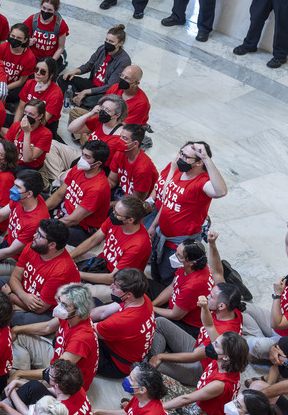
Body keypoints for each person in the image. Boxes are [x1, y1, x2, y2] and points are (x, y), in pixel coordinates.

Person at [148, 142, 227, 282]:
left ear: (199, 163)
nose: (180, 158)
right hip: (162, 233)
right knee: (156, 269)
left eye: (186, 156)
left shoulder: (202, 182)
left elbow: (221, 191)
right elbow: (167, 202)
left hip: (179, 243)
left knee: (168, 275)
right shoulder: (177, 169)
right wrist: (154, 226)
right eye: (181, 153)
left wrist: (206, 158)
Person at [9, 282, 98, 389]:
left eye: (64, 305)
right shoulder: (72, 317)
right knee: (20, 337)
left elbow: (56, 371)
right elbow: (48, 327)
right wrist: (16, 329)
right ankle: (20, 377)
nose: (59, 307)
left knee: (20, 391)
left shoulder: (81, 338)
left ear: (78, 310)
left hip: (65, 382)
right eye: (60, 302)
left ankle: (19, 381)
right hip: (57, 358)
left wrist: (20, 373)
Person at [68, 196, 152, 300]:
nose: (113, 214)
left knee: (74, 292)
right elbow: (93, 240)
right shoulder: (115, 219)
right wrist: (68, 258)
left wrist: (77, 273)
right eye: (114, 210)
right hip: (100, 262)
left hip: (116, 284)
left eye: (117, 214)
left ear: (130, 220)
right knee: (61, 253)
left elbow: (112, 278)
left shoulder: (138, 245)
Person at [4, 219, 80, 325]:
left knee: (3, 315)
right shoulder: (35, 246)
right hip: (24, 292)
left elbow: (39, 309)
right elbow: (15, 277)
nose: (34, 235)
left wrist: (10, 295)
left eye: (39, 235)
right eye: (37, 231)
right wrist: (23, 296)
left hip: (48, 311)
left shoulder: (61, 271)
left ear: (52, 245)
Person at [161, 331, 248, 415]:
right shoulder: (224, 362)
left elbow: (186, 399)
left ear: (226, 357)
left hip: (200, 411)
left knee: (156, 408)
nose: (211, 344)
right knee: (160, 378)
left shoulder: (220, 384)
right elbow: (210, 326)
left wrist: (159, 407)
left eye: (216, 345)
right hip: (198, 401)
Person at [91, 268, 156, 378]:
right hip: (128, 349)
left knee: (66, 339)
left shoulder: (121, 321)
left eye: (115, 287)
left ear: (128, 294)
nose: (111, 287)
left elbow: (84, 329)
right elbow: (103, 312)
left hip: (117, 365)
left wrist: (68, 316)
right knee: (94, 302)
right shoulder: (142, 298)